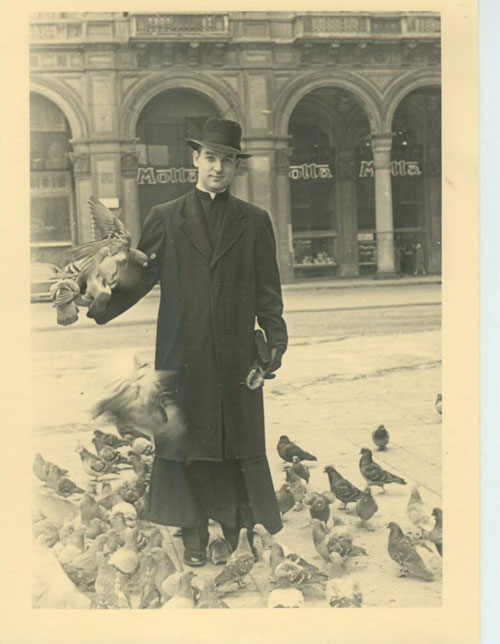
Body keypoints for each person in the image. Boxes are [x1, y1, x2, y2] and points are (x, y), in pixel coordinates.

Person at [90, 118, 287, 566]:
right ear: (196, 159)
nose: (218, 168)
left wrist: (273, 347)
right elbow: (139, 278)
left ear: (237, 167)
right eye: (211, 157)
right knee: (186, 441)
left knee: (235, 440)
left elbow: (268, 292)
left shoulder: (255, 221)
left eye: (228, 161)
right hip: (181, 353)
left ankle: (236, 527)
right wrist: (100, 303)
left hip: (237, 355)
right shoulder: (166, 216)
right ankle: (194, 533)